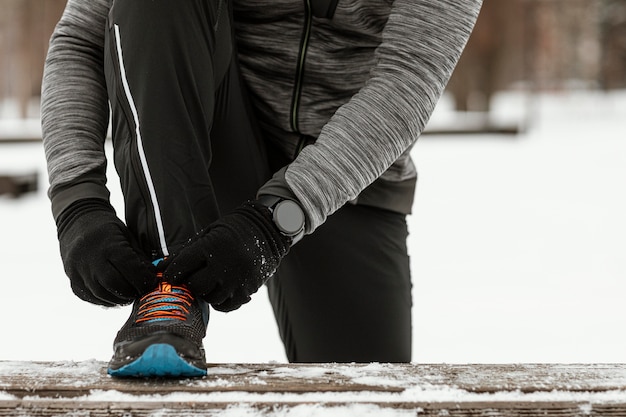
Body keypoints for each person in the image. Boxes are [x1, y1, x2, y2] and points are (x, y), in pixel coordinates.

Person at [42, 0, 482, 377]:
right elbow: (82, 37)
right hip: (210, 147)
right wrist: (76, 199)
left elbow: (410, 76)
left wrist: (277, 219)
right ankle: (167, 288)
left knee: (366, 392)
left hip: (351, 171)